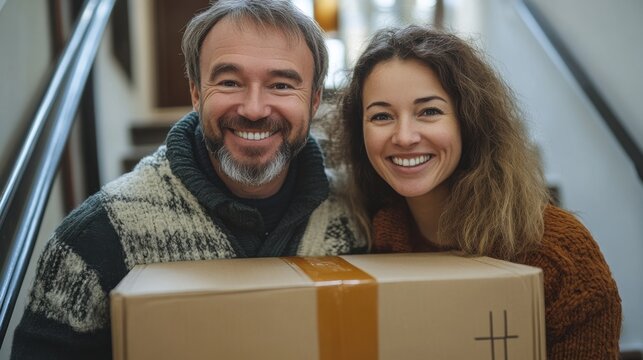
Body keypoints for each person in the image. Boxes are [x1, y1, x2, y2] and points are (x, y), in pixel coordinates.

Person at [11, 1, 364, 358]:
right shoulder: (98, 235)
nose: (254, 109)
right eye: (229, 82)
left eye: (282, 85)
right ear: (196, 93)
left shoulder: (357, 216)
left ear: (314, 101)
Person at [329, 25, 621, 359]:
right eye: (381, 116)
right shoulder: (368, 236)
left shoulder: (556, 253)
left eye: (429, 111)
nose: (405, 136)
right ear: (360, 132)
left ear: (469, 121)